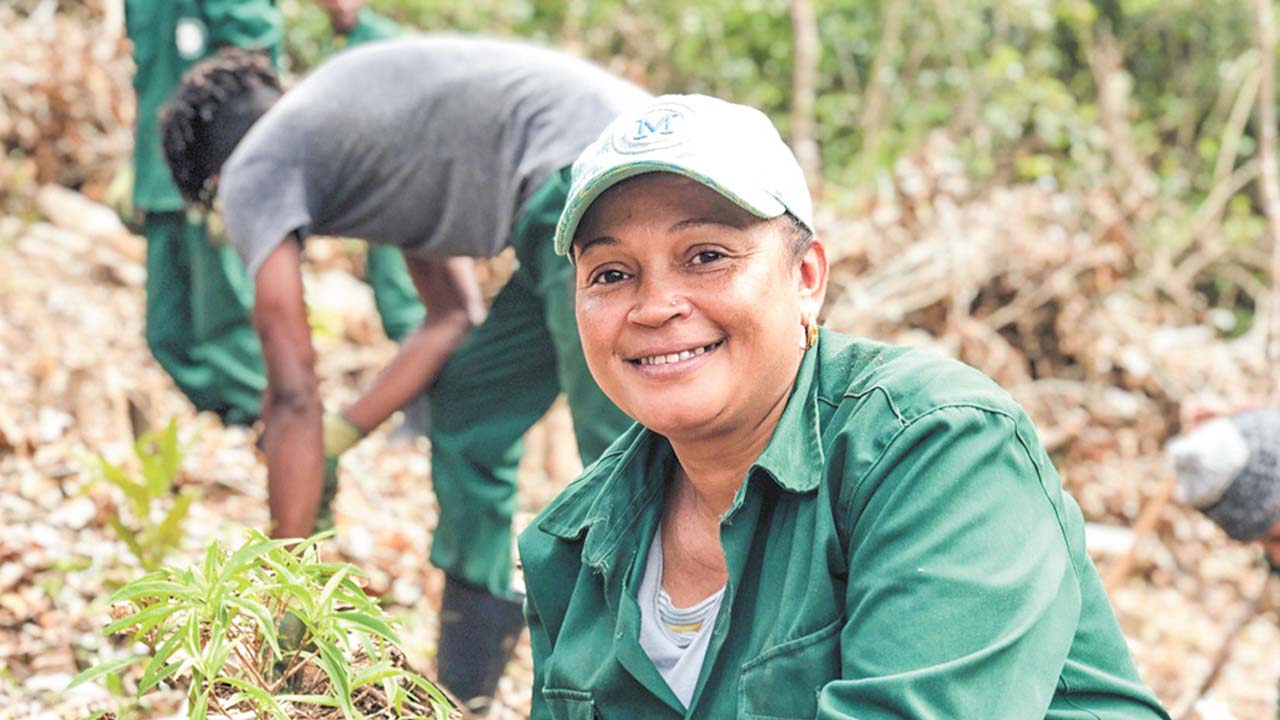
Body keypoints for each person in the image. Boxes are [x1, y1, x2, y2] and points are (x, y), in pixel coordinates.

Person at [518, 94, 1171, 719]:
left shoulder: (936, 445)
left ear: (806, 280)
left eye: (707, 256)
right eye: (610, 273)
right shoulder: (571, 543)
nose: (655, 305)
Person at [158, 39, 647, 711]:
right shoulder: (352, 140)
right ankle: (467, 682)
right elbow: (450, 316)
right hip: (565, 197)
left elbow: (292, 393)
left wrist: (284, 582)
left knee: (627, 441)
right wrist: (344, 432)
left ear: (216, 182)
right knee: (471, 403)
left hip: (594, 183)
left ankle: (659, 668)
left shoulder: (255, 167)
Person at [124, 0, 280, 426]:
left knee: (226, 317)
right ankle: (233, 416)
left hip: (211, 175)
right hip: (158, 180)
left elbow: (256, 61)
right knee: (166, 331)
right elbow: (147, 78)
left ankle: (265, 422)